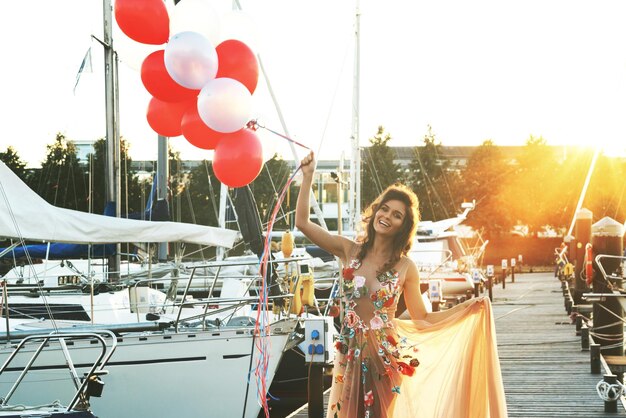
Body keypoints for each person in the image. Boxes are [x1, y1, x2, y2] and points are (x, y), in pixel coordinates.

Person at [295, 151, 507, 418]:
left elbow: (423, 317)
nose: (387, 216)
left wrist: (466, 309)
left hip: (385, 360)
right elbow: (302, 222)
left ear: (403, 226)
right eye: (384, 208)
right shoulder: (349, 250)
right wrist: (309, 176)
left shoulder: (406, 267)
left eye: (397, 215)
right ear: (375, 212)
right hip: (349, 355)